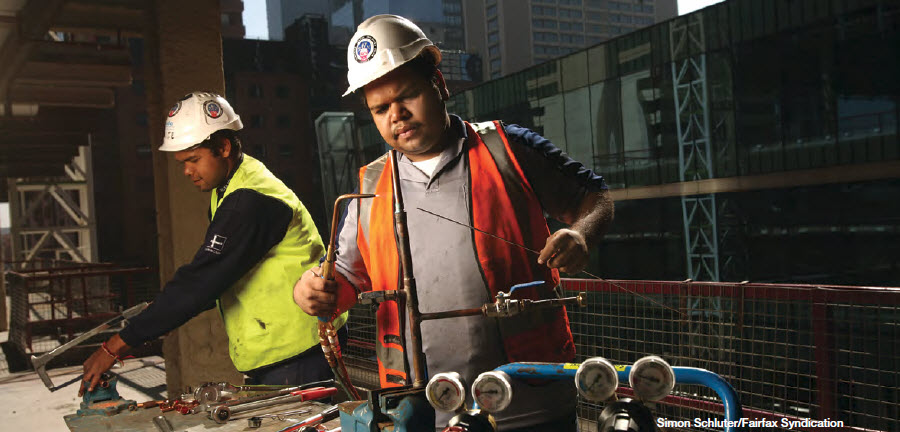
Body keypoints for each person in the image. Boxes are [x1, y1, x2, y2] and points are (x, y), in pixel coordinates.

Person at [293, 15, 614, 431]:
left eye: (407, 96)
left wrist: (581, 234)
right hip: (418, 408)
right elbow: (345, 280)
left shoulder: (507, 150)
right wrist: (312, 290)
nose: (397, 115)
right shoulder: (370, 186)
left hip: (531, 404)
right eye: (380, 108)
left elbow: (597, 197)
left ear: (439, 84)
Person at [80, 92, 346, 395]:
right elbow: (213, 277)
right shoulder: (232, 186)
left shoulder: (249, 200)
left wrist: (115, 345)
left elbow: (201, 283)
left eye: (194, 160)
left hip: (298, 350)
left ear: (223, 147)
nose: (187, 171)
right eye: (183, 162)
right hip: (281, 349)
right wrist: (153, 319)